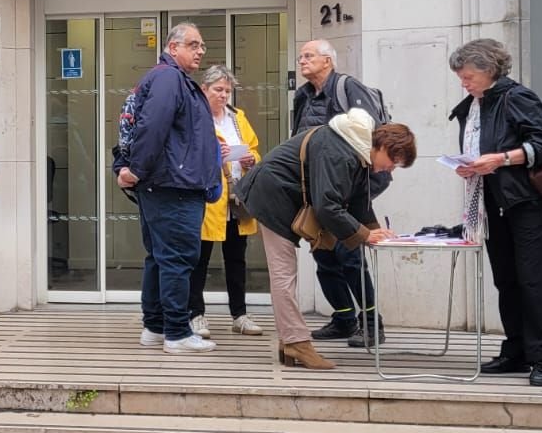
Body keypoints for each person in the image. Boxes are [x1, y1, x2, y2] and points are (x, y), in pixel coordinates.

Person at [236, 109, 417, 370]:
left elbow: (357, 198)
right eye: (392, 160)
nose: (391, 168)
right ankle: (296, 342)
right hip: (271, 198)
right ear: (382, 145)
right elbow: (328, 206)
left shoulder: (355, 147)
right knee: (284, 274)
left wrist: (374, 231)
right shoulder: (341, 151)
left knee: (285, 274)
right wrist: (365, 234)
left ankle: (289, 342)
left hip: (278, 195)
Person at [448, 38, 542, 388]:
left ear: (489, 69)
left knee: (532, 280)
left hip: (528, 202)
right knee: (506, 280)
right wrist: (470, 166)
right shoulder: (473, 104)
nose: (463, 83)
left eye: (468, 76)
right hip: (492, 202)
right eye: (460, 77)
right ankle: (516, 351)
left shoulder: (518, 97)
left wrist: (499, 159)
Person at [116, 23, 222, 353]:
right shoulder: (168, 78)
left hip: (167, 185)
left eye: (202, 45)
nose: (201, 51)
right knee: (177, 258)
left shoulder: (170, 78)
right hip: (172, 187)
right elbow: (153, 125)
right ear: (172, 47)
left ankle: (155, 327)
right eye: (193, 44)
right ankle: (176, 332)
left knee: (161, 258)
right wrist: (135, 169)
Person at [290, 38, 388, 348]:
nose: (302, 61)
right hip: (318, 191)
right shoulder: (303, 96)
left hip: (348, 190)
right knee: (323, 255)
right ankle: (344, 318)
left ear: (328, 61)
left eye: (309, 56)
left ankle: (373, 325)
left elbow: (374, 138)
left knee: (350, 256)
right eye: (301, 56)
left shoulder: (348, 88)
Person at [189, 66, 262, 337]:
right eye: (218, 90)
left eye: (227, 91)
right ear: (204, 90)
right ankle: (195, 314)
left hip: (236, 197)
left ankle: (239, 315)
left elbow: (254, 148)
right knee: (200, 259)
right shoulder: (195, 118)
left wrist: (250, 158)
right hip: (207, 199)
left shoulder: (237, 118)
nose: (223, 96)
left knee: (236, 259)